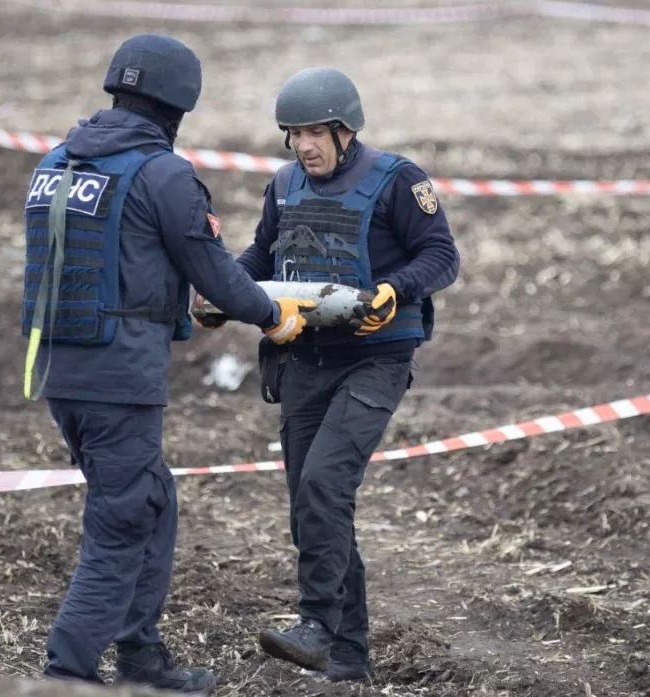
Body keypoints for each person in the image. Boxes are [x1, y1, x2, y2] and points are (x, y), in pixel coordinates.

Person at [20, 34, 316, 694]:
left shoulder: (56, 162)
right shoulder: (163, 174)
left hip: (61, 371)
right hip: (119, 376)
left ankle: (142, 657)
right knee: (123, 518)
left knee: (152, 500)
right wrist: (272, 315)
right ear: (180, 103)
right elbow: (213, 269)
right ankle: (67, 672)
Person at [194, 66, 460, 683]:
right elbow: (261, 255)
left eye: (315, 132)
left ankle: (317, 624)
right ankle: (348, 656)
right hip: (304, 360)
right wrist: (220, 291)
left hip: (375, 359)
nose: (303, 146)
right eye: (294, 134)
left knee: (324, 485)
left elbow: (442, 254)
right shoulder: (284, 184)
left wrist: (395, 289)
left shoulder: (398, 180)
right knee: (313, 508)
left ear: (345, 131)